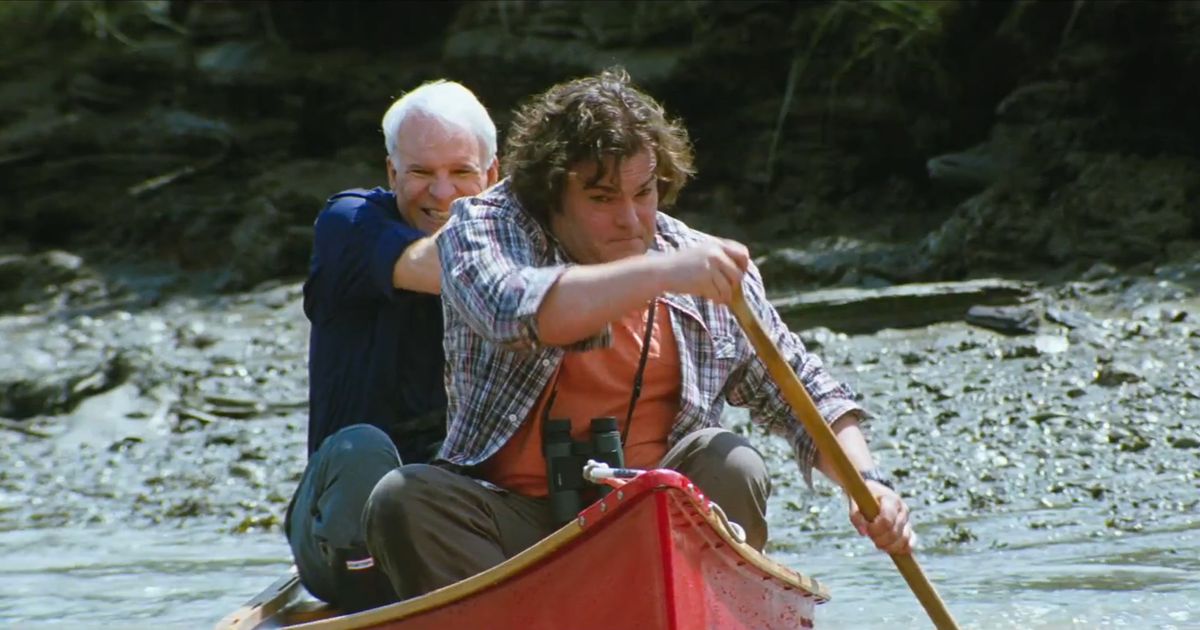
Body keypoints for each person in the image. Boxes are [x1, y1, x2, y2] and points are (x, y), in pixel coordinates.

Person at [363, 67, 913, 601]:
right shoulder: (482, 226)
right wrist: (659, 274)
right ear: (551, 195)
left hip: (653, 525)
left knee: (731, 460)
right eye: (602, 199)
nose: (630, 220)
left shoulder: (693, 258)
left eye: (644, 193)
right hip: (511, 528)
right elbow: (514, 311)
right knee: (403, 499)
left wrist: (868, 484)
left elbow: (803, 390)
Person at [285, 79, 499, 612]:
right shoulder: (348, 224)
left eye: (461, 172)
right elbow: (445, 270)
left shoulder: (514, 245)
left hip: (459, 516)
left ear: (492, 175)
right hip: (349, 520)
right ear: (392, 173)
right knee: (364, 451)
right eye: (421, 173)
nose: (442, 193)